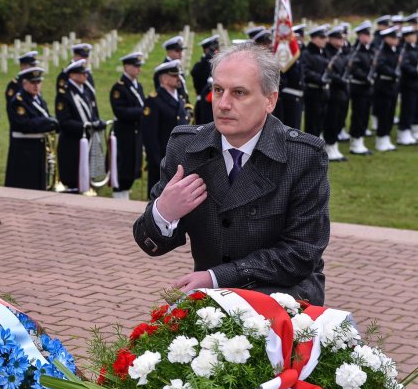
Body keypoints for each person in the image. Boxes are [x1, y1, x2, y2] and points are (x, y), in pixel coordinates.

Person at [133, 43, 329, 304]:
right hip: (212, 306)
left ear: (270, 100)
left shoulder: (302, 156)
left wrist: (217, 277)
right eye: (218, 90)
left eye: (239, 93)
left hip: (285, 300)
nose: (223, 104)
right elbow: (149, 243)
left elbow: (301, 253)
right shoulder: (186, 148)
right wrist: (163, 212)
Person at [55, 57, 104, 193]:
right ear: (72, 75)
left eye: (85, 73)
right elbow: (64, 121)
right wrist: (86, 126)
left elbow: (92, 113)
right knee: (72, 178)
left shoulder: (86, 92)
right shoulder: (64, 94)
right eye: (82, 73)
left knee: (84, 176)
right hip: (71, 143)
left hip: (86, 141)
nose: (85, 76)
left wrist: (97, 123)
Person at [5, 66, 59, 190]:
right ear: (24, 83)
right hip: (24, 150)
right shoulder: (18, 101)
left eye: (39, 82)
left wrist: (52, 123)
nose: (36, 86)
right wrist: (48, 122)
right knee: (24, 184)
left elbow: (45, 118)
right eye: (33, 82)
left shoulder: (39, 100)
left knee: (38, 184)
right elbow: (25, 124)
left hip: (38, 148)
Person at [142, 60, 191, 195]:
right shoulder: (154, 101)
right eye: (174, 76)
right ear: (164, 79)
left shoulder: (180, 98)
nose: (178, 79)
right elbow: (150, 136)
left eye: (179, 75)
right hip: (162, 160)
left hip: (180, 158)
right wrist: (157, 162)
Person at [110, 52, 146, 199]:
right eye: (135, 66)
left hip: (136, 133)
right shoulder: (119, 88)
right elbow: (120, 111)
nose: (139, 69)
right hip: (124, 133)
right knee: (123, 169)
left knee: (132, 168)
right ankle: (119, 198)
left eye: (139, 66)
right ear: (126, 67)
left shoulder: (138, 86)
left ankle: (125, 195)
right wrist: (142, 112)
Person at [321, 26, 349, 161]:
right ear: (330, 39)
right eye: (338, 38)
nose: (341, 41)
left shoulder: (342, 52)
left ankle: (334, 145)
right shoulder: (327, 53)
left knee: (340, 119)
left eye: (342, 38)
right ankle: (329, 146)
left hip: (342, 91)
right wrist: (340, 79)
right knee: (331, 119)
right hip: (332, 91)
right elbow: (329, 73)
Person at [347, 21, 374, 155]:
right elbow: (354, 69)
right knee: (358, 114)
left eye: (369, 34)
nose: (368, 37)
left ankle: (360, 140)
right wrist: (366, 77)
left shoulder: (369, 50)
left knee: (364, 114)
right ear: (359, 36)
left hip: (367, 88)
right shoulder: (356, 50)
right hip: (358, 87)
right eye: (365, 34)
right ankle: (355, 142)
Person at [373, 26, 400, 152]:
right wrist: (394, 73)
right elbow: (381, 67)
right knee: (384, 114)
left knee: (390, 113)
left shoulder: (393, 51)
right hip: (384, 85)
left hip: (392, 86)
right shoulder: (382, 51)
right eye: (393, 37)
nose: (396, 40)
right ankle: (381, 138)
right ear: (386, 38)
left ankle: (386, 137)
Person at [300, 25, 329, 138]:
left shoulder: (322, 52)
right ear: (314, 38)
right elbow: (305, 71)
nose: (325, 40)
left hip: (323, 92)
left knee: (321, 120)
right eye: (322, 37)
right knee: (312, 122)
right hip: (313, 92)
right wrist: (320, 78)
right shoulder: (307, 53)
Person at [396, 25, 417, 146]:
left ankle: (412, 130)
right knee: (407, 108)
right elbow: (404, 65)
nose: (414, 37)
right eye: (411, 36)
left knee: (415, 108)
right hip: (408, 83)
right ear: (406, 37)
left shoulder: (415, 48)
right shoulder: (404, 49)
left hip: (415, 83)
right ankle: (403, 132)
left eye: (414, 35)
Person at [192, 36, 219, 126]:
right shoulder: (201, 64)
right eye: (214, 48)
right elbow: (195, 74)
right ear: (207, 50)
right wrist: (207, 56)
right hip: (205, 101)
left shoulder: (218, 62)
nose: (217, 50)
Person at [154, 36, 189, 102]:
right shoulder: (163, 71)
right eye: (177, 51)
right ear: (169, 52)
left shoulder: (177, 66)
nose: (180, 54)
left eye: (181, 50)